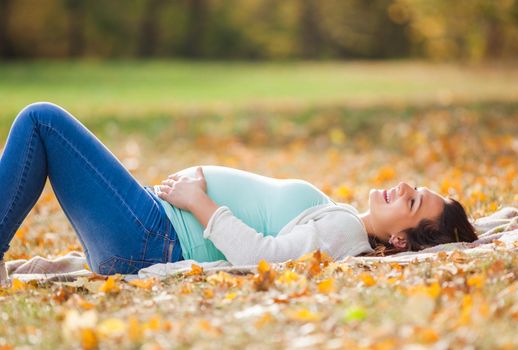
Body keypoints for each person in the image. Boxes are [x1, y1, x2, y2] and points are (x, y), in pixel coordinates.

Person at [0, 102, 477, 286]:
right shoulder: (343, 222)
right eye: (416, 188)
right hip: (149, 222)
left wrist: (198, 201)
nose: (405, 187)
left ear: (399, 243)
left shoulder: (341, 233)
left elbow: (264, 255)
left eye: (412, 201)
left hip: (152, 235)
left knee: (42, 120)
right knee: (43, 125)